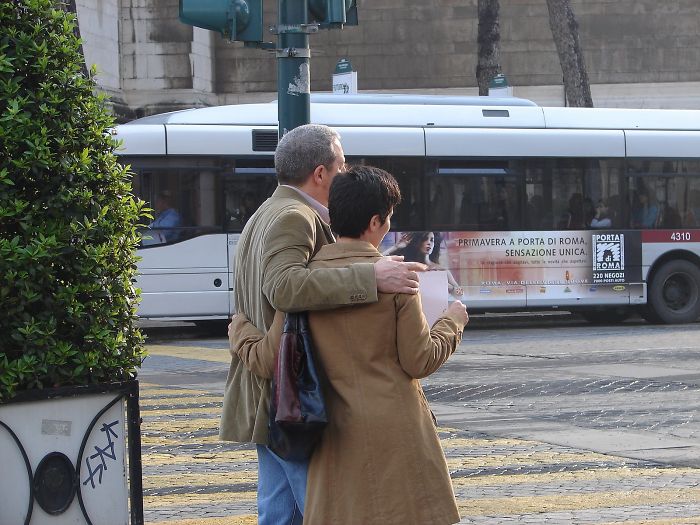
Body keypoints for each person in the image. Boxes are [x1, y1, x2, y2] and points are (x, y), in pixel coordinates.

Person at [230, 165, 468, 525]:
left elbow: (268, 361)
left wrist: (241, 332)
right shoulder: (397, 281)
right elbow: (420, 360)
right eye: (388, 218)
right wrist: (454, 320)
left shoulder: (306, 284)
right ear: (375, 222)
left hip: (333, 435)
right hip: (397, 430)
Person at [384, 231, 464, 297]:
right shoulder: (406, 266)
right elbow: (378, 263)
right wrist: (396, 247)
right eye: (425, 239)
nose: (429, 243)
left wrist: (447, 286)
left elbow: (461, 295)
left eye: (432, 240)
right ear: (417, 242)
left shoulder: (441, 270)